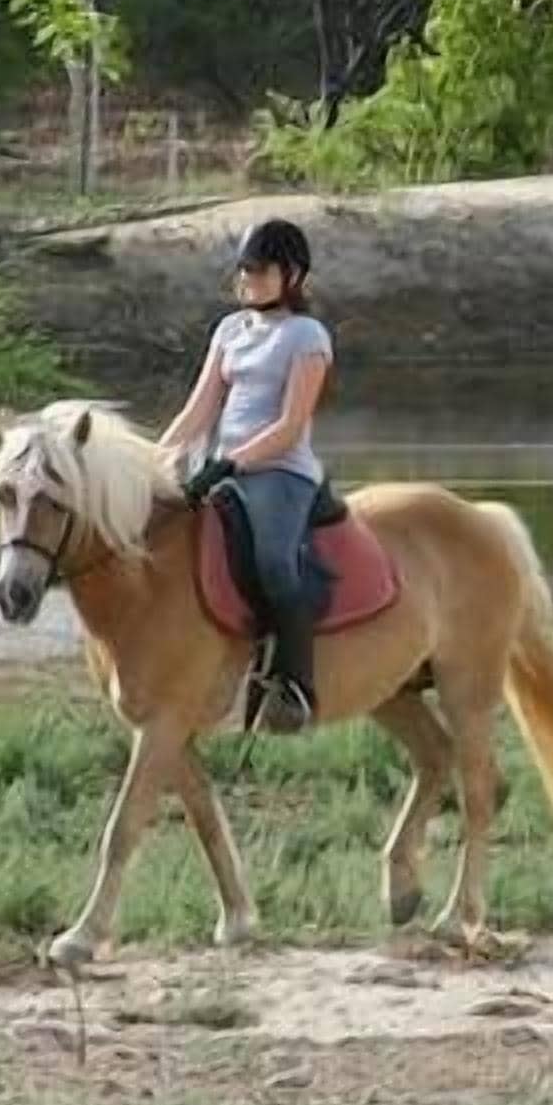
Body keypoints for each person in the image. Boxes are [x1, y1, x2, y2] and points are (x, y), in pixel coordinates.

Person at [157, 218, 334, 730]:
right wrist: (153, 461)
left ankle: (293, 685)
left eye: (258, 271)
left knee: (275, 562)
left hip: (280, 473)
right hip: (221, 471)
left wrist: (228, 463)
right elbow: (199, 410)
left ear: (293, 274)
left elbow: (290, 425)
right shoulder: (230, 330)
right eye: (243, 271)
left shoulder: (307, 336)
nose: (246, 281)